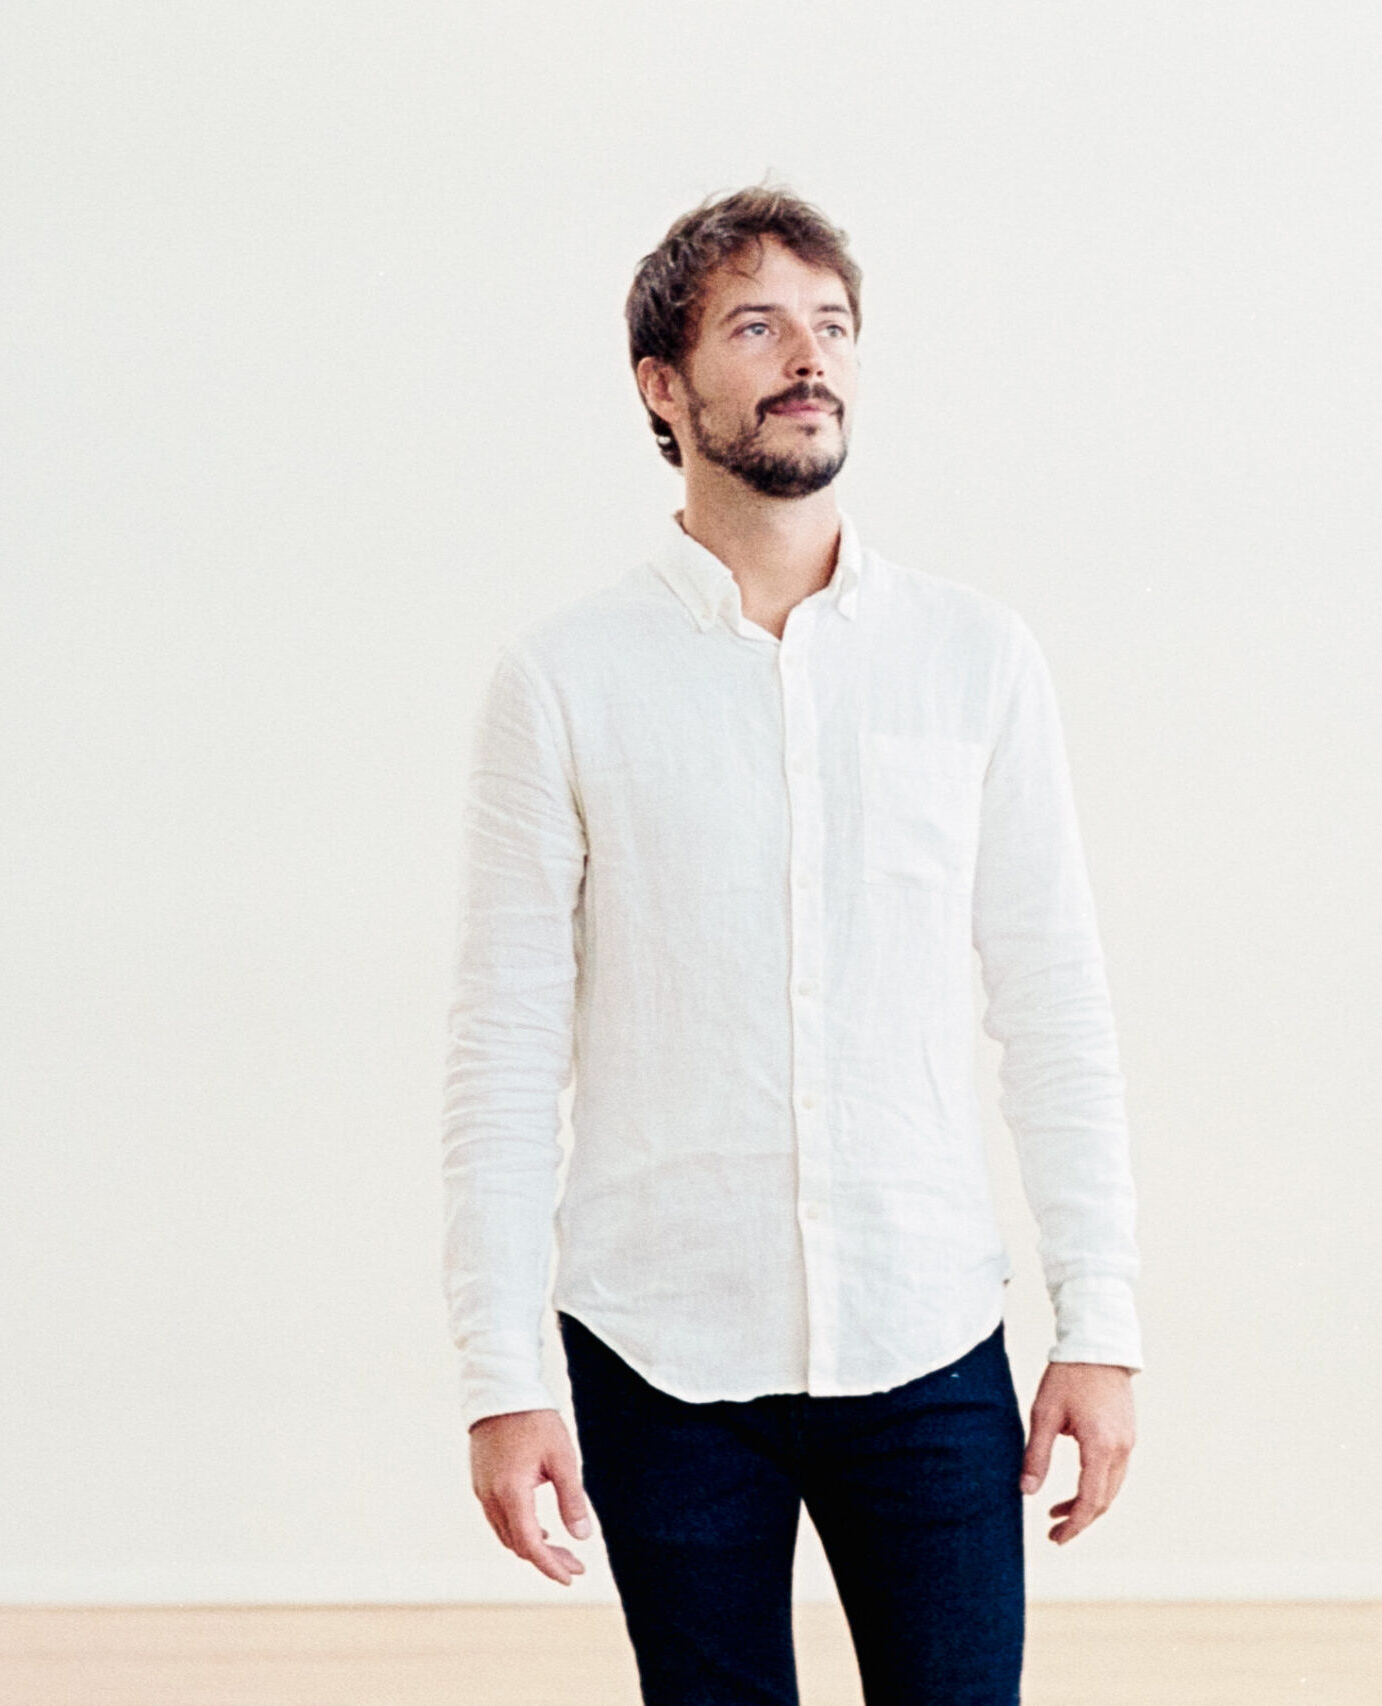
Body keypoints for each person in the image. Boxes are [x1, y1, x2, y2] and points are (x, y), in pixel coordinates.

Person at [441, 183, 1143, 1706]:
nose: (807, 357)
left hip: (928, 1336)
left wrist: (1103, 1323)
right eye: (756, 328)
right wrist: (502, 1374)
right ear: (663, 386)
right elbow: (503, 1050)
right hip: (661, 1352)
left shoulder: (974, 658)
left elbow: (1054, 1006)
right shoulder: (563, 680)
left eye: (830, 325)